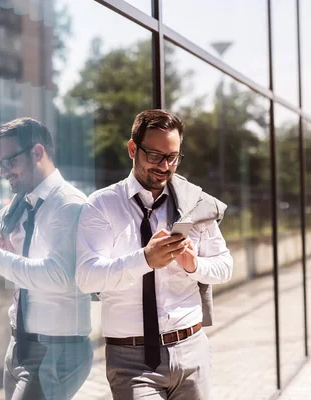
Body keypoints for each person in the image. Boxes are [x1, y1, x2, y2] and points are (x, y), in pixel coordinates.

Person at [76, 109, 233, 399]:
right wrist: (144, 260)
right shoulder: (101, 205)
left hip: (192, 352)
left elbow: (225, 266)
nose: (164, 166)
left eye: (172, 157)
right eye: (154, 155)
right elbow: (87, 277)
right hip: (131, 361)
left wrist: (193, 264)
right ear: (133, 149)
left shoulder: (194, 204)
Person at [0, 118, 92, 400]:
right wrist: (4, 254)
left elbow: (60, 277)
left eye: (9, 161)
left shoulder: (68, 204)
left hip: (56, 350)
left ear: (38, 152)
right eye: (0, 164)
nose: (4, 172)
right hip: (20, 344)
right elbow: (25, 278)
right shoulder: (25, 203)